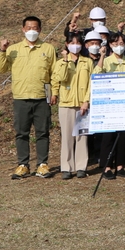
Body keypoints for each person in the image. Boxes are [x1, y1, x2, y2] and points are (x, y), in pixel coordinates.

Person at [0, 16, 57, 179]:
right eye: (28, 27)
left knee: (42, 132)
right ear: (23, 29)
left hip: (41, 98)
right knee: (21, 133)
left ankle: (42, 164)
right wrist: (2, 50)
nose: (32, 31)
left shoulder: (48, 48)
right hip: (21, 98)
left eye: (35, 28)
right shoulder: (13, 49)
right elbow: (1, 68)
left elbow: (53, 74)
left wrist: (53, 94)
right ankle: (23, 164)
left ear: (40, 30)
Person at [50, 33, 92, 179]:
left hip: (82, 104)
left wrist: (86, 100)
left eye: (78, 42)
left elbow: (91, 84)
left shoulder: (87, 62)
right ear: (67, 44)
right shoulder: (60, 62)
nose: (75, 45)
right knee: (67, 137)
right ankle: (66, 167)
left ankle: (81, 167)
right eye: (72, 42)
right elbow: (60, 79)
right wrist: (66, 60)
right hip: (66, 104)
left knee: (82, 136)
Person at [97, 33, 125, 180]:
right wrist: (101, 56)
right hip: (109, 105)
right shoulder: (107, 61)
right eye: (115, 43)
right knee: (108, 136)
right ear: (110, 46)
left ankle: (120, 166)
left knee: (122, 137)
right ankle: (107, 167)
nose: (118, 46)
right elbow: (96, 75)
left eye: (121, 43)